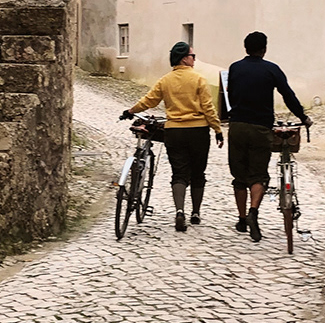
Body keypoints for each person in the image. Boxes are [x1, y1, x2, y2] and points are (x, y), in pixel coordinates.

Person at [120, 42, 223, 232]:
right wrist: (217, 129)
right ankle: (195, 213)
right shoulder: (199, 79)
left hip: (174, 132)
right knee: (198, 172)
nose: (194, 59)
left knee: (179, 173)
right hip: (198, 131)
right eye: (192, 56)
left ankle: (179, 211)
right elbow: (208, 108)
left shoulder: (165, 81)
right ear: (184, 58)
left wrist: (130, 111)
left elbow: (148, 100)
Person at [226, 31, 311, 242]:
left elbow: (230, 94)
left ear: (245, 48)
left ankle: (241, 219)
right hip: (260, 128)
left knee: (239, 175)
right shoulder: (271, 69)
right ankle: (254, 212)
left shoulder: (235, 68)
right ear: (264, 49)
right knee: (258, 175)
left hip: (237, 125)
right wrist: (303, 116)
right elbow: (288, 95)